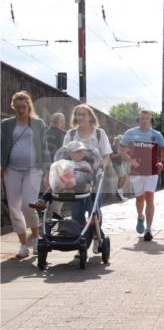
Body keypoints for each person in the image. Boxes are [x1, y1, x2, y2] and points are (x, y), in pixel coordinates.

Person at [1, 91, 51, 258]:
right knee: (14, 208)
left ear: (29, 106)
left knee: (28, 206)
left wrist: (47, 171)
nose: (21, 110)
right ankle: (23, 245)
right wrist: (1, 165)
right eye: (18, 107)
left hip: (33, 170)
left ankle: (36, 239)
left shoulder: (38, 124)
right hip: (11, 170)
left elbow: (44, 147)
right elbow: (2, 146)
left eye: (24, 107)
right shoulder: (6, 124)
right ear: (13, 107)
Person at [63, 104, 113, 248]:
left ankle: (96, 235)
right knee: (76, 210)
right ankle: (80, 238)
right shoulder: (71, 134)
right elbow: (65, 153)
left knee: (93, 208)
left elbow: (106, 154)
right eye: (77, 114)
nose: (80, 117)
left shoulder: (99, 133)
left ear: (90, 116)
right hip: (76, 177)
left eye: (83, 114)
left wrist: (101, 166)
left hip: (95, 176)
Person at [119, 110, 164, 242]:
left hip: (152, 170)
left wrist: (161, 162)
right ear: (138, 119)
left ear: (150, 120)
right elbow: (121, 149)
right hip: (136, 171)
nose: (144, 121)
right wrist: (130, 160)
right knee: (139, 200)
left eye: (147, 119)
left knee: (149, 197)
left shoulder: (156, 135)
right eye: (142, 119)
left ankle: (148, 229)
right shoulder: (130, 133)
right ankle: (140, 216)